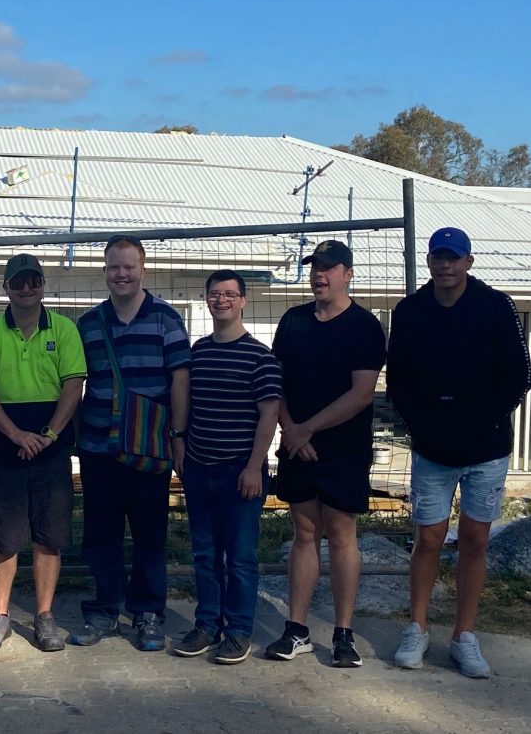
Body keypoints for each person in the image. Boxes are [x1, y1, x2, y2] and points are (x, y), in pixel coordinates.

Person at [388, 227, 530, 679]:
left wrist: (480, 421)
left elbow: (517, 375)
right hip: (431, 449)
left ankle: (463, 637)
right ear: (428, 262)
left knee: (475, 540)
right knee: (427, 538)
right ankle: (417, 628)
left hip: (485, 448)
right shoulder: (409, 312)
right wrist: (422, 425)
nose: (445, 266)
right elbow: (400, 380)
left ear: (469, 262)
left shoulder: (495, 307)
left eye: (454, 258)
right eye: (438, 258)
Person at [267, 240, 386, 668]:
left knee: (340, 535)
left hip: (343, 449)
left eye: (330, 268)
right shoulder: (293, 321)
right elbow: (274, 382)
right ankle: (296, 629)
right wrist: (290, 430)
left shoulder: (364, 326)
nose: (321, 275)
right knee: (303, 533)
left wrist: (306, 429)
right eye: (316, 268)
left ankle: (343, 634)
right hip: (297, 444)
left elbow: (361, 393)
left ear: (348, 274)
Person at [71, 235, 191, 651]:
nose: (121, 274)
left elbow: (180, 380)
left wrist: (178, 436)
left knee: (149, 534)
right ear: (104, 271)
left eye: (128, 267)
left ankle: (147, 612)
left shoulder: (166, 320)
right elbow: (74, 382)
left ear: (143, 269)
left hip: (149, 445)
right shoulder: (87, 325)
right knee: (99, 534)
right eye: (113, 267)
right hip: (98, 448)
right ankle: (105, 609)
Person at [0, 254, 87, 652]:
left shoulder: (65, 330)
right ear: (6, 287)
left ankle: (44, 616)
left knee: (48, 536)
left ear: (42, 285)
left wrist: (50, 434)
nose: (26, 289)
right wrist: (17, 434)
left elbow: (73, 386)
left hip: (52, 448)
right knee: (5, 537)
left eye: (33, 281)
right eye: (17, 282)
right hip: (6, 446)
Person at [174, 270, 281, 665]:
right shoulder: (198, 352)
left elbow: (269, 415)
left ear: (243, 301)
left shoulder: (261, 357)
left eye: (230, 295)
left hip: (241, 473)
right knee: (203, 553)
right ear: (206, 301)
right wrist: (180, 441)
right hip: (199, 468)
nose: (222, 301)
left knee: (239, 557)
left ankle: (237, 631)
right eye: (215, 295)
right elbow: (186, 401)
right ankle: (206, 624)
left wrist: (255, 467)